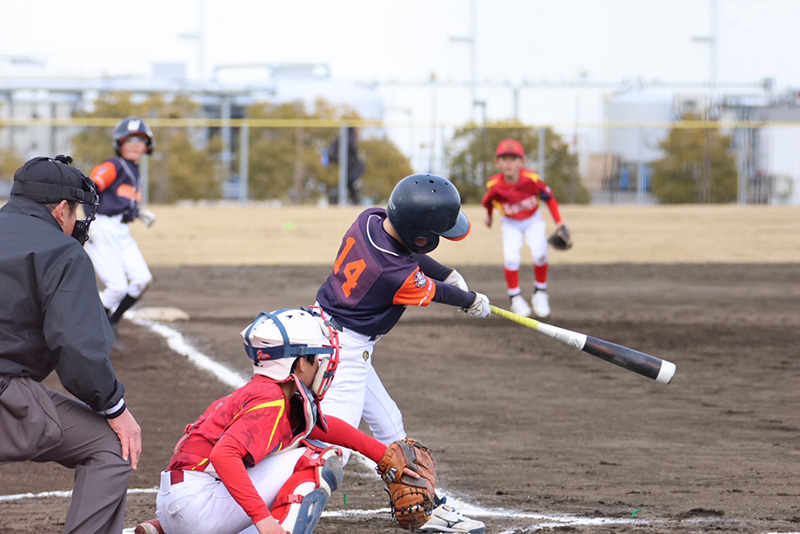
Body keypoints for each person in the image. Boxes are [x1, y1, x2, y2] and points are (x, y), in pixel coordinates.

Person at [134, 307, 423, 534]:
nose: (324, 365)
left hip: (183, 504)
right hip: (196, 507)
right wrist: (263, 521)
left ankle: (170, 530)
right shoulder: (271, 400)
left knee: (296, 451)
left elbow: (324, 426)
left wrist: (381, 454)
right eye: (318, 358)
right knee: (317, 460)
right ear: (299, 363)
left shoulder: (268, 392)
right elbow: (224, 455)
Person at [315, 173, 489, 534]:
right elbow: (429, 287)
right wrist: (470, 300)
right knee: (331, 450)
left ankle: (426, 508)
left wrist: (448, 272)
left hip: (325, 331)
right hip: (343, 354)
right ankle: (265, 512)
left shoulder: (371, 219)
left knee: (389, 424)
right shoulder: (392, 274)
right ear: (420, 234)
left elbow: (409, 255)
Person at [0, 155, 143, 534]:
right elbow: (78, 350)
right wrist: (115, 408)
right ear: (61, 208)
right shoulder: (62, 252)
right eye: (75, 209)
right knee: (112, 448)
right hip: (5, 396)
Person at [85, 116, 157, 348]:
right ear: (119, 143)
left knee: (142, 280)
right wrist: (89, 222)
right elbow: (90, 188)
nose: (135, 144)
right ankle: (83, 325)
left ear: (148, 146)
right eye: (130, 139)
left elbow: (122, 204)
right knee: (117, 287)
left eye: (141, 140)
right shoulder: (114, 166)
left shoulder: (136, 172)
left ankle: (112, 321)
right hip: (102, 227)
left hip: (120, 231)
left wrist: (137, 212)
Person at [481, 138, 567, 318]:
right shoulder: (494, 185)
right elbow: (488, 201)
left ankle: (540, 293)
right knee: (511, 258)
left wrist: (559, 222)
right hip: (510, 223)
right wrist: (489, 216)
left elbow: (549, 198)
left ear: (522, 161)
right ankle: (515, 298)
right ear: (497, 162)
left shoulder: (532, 179)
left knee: (540, 254)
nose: (509, 163)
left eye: (513, 158)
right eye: (504, 158)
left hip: (533, 220)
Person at [323, 126, 365, 205]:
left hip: (350, 167)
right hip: (351, 167)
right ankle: (337, 199)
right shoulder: (349, 138)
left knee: (349, 184)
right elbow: (353, 149)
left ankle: (350, 200)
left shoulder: (341, 138)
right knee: (348, 183)